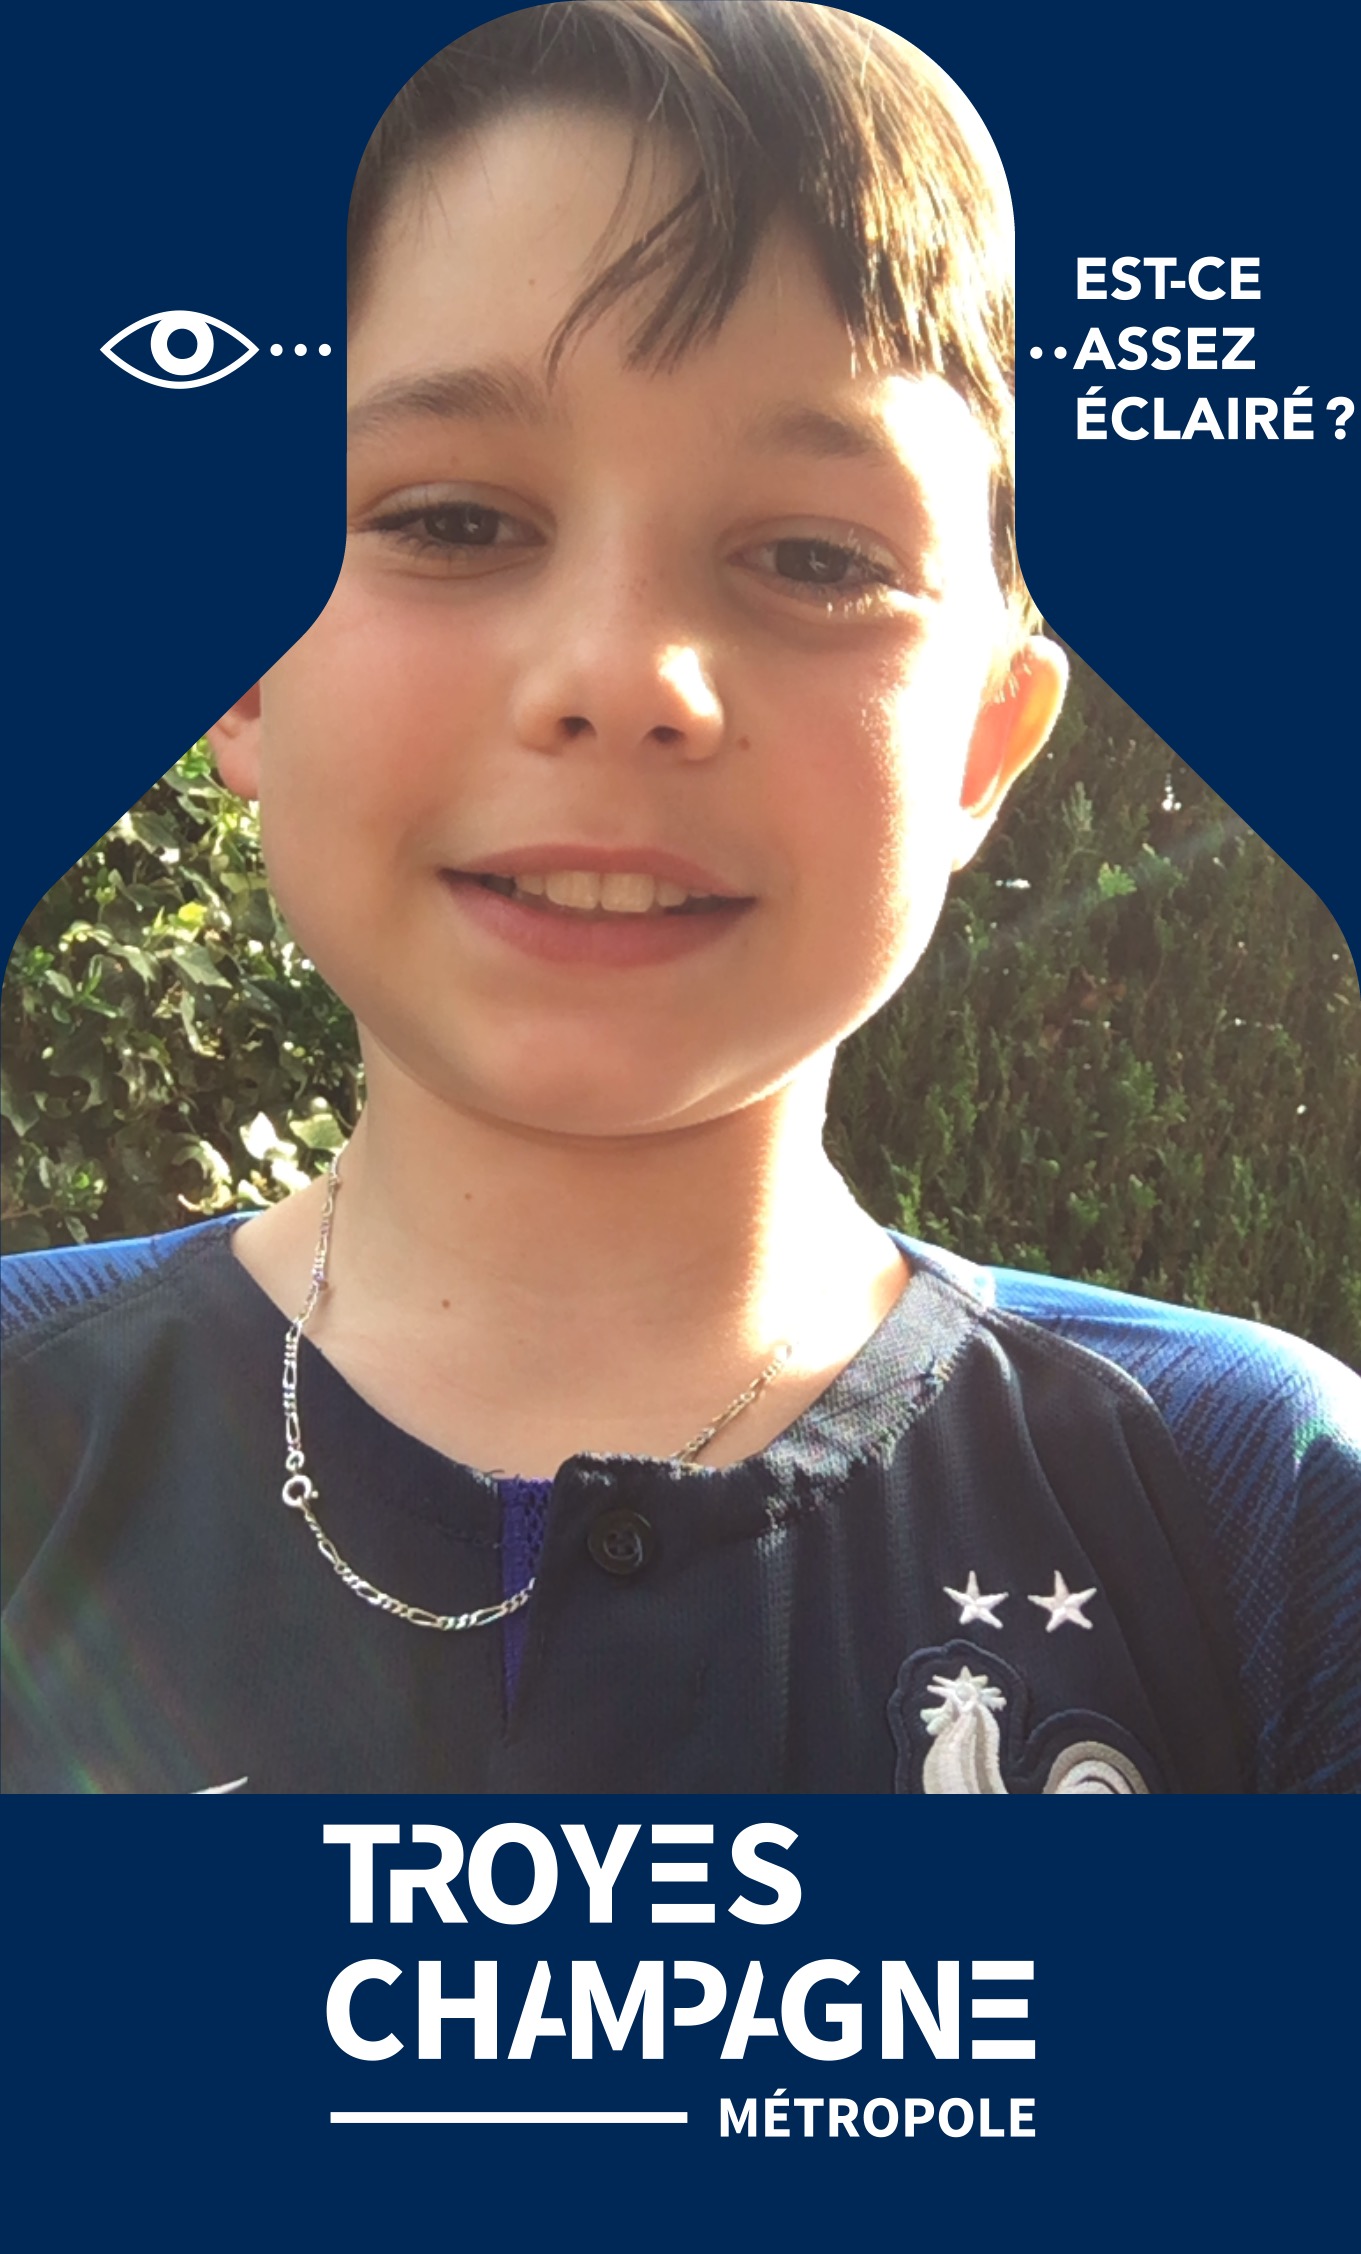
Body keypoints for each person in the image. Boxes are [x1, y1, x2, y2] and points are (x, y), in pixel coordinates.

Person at [3, 1, 1356, 1795]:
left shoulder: (1257, 1511)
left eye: (811, 555)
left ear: (984, 742)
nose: (626, 675)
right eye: (452, 521)